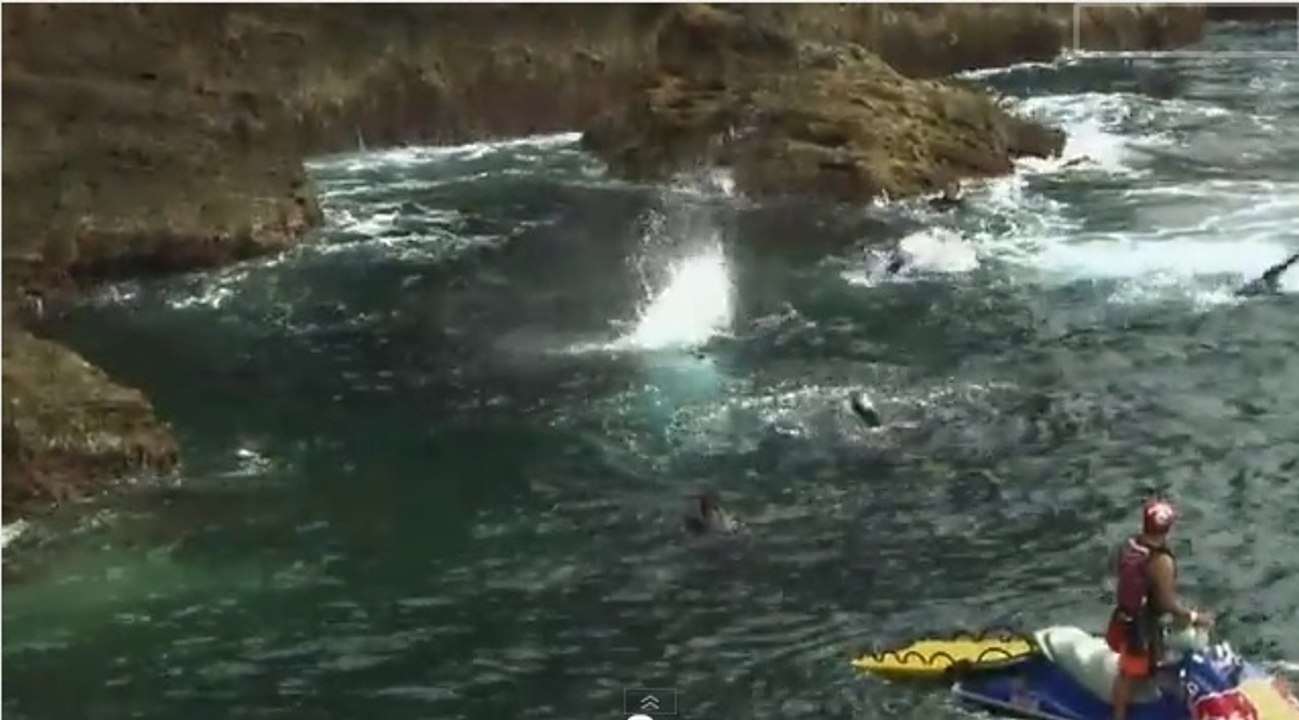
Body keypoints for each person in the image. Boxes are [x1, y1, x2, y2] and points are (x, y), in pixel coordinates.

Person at [1105, 498, 1214, 720]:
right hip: (1142, 625)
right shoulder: (1161, 561)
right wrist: (1193, 616)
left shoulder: (1131, 545)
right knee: (1128, 673)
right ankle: (1118, 716)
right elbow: (1166, 602)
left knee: (1139, 667)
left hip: (1125, 615)